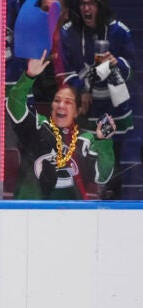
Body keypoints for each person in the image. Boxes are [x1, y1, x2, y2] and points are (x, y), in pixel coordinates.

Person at [7, 50, 116, 200]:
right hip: (29, 212)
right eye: (57, 100)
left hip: (70, 215)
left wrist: (104, 141)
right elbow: (14, 104)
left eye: (68, 102)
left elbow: (103, 176)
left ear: (77, 111)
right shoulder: (39, 126)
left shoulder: (88, 139)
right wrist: (29, 76)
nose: (61, 105)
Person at [59, 0, 134, 199]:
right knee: (83, 156)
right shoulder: (69, 31)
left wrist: (118, 64)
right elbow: (63, 69)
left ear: (101, 6)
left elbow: (131, 68)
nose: (86, 9)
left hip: (114, 108)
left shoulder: (119, 31)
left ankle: (113, 201)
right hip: (86, 109)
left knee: (113, 158)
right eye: (83, 4)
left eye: (91, 3)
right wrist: (80, 91)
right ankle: (85, 202)